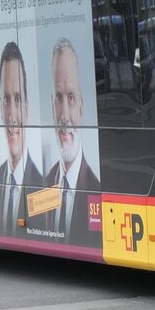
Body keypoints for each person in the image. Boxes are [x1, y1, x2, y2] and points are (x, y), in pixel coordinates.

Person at [44, 36, 100, 245]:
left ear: (82, 107)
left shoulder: (95, 186)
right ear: (51, 106)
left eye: (71, 97)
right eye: (59, 98)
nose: (64, 115)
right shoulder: (46, 181)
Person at [0, 42, 43, 237]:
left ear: (27, 108)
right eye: (6, 100)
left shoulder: (42, 181)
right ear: (0, 107)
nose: (12, 115)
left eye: (18, 100)